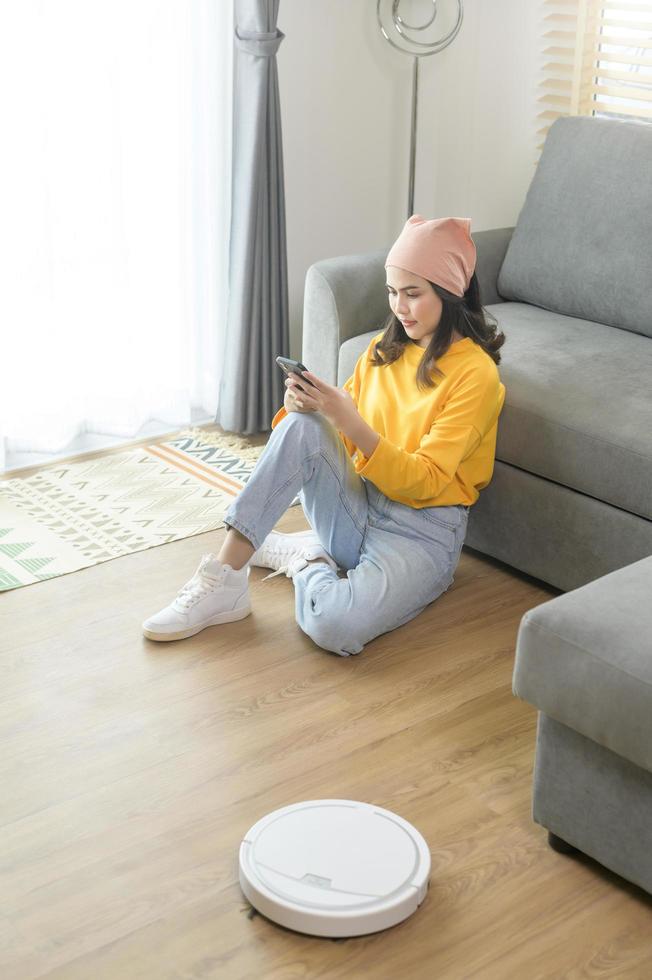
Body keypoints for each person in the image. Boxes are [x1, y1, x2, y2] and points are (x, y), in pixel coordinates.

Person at [142, 215, 506, 656]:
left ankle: (306, 557)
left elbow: (426, 480)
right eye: (392, 292)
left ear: (451, 294)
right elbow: (326, 435)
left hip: (421, 532)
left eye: (413, 294)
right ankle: (223, 579)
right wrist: (305, 405)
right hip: (358, 504)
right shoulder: (381, 351)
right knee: (302, 425)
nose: (399, 307)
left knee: (334, 626)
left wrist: (348, 419)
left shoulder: (475, 375)